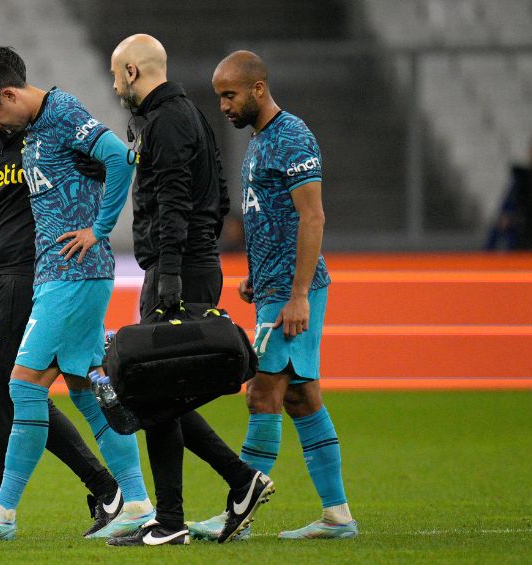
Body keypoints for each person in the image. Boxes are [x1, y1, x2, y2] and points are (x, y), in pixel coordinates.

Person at [0, 49, 153, 541]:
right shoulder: (36, 127)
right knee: (86, 390)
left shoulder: (61, 113)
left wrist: (98, 230)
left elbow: (122, 158)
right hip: (60, 275)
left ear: (8, 95)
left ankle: (2, 512)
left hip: (72, 274)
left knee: (21, 385)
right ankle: (136, 501)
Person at [105, 35, 274, 547]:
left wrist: (171, 272)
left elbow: (175, 201)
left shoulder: (166, 120)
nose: (115, 87)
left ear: (133, 72)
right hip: (189, 265)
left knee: (154, 392)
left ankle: (175, 519)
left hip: (178, 271)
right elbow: (219, 195)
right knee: (164, 395)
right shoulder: (188, 116)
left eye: (117, 76)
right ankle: (232, 487)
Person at [190, 50, 358, 540]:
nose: (222, 105)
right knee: (302, 400)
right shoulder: (262, 140)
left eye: (229, 95)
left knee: (261, 395)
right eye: (219, 95)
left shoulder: (293, 137)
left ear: (258, 89)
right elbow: (273, 218)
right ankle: (337, 516)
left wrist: (298, 294)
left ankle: (236, 515)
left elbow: (313, 217)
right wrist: (257, 277)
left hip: (292, 295)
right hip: (274, 288)